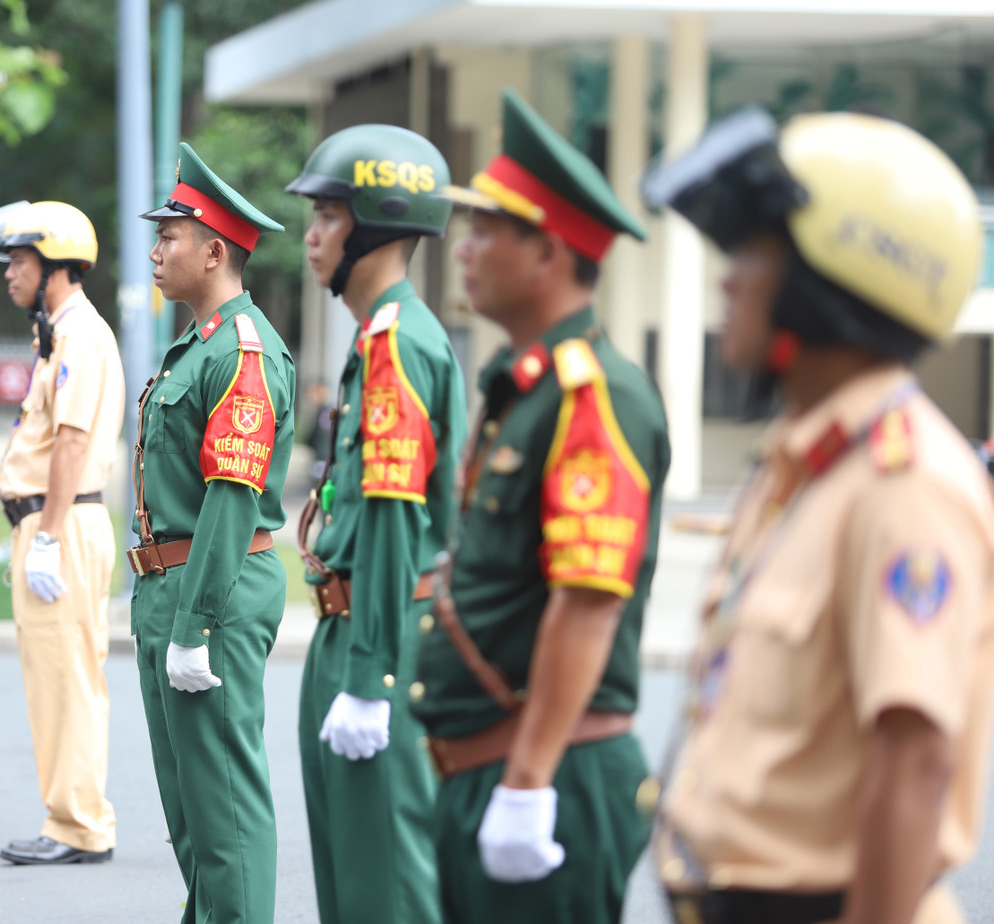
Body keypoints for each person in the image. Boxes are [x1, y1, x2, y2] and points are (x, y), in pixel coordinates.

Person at [643, 108, 994, 924]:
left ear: (830, 286)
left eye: (755, 255)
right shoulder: (803, 463)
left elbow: (912, 761)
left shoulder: (903, 483)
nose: (728, 280)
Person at [410, 89, 671, 924]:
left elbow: (587, 605)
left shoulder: (594, 398)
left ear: (550, 252)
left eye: (487, 230)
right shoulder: (526, 390)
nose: (465, 248)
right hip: (490, 766)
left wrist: (525, 786)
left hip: (544, 772)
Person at [285, 124, 466, 924]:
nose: (311, 235)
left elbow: (395, 521)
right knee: (351, 881)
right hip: (348, 622)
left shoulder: (397, 346)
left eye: (327, 216)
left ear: (377, 226)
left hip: (378, 637)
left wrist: (371, 680)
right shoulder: (376, 340)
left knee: (386, 889)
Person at [132, 142, 295, 924]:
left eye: (169, 237)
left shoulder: (242, 350)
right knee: (191, 810)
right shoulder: (199, 344)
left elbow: (232, 498)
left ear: (214, 250)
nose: (157, 251)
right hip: (175, 583)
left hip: (214, 589)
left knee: (224, 807)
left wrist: (195, 623)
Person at [0, 200, 125, 863]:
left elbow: (71, 443)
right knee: (54, 678)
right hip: (50, 520)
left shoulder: (81, 337)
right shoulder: (60, 336)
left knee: (69, 679)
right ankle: (67, 817)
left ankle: (79, 826)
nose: (10, 274)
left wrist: (50, 536)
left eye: (22, 261)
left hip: (62, 521)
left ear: (57, 267)